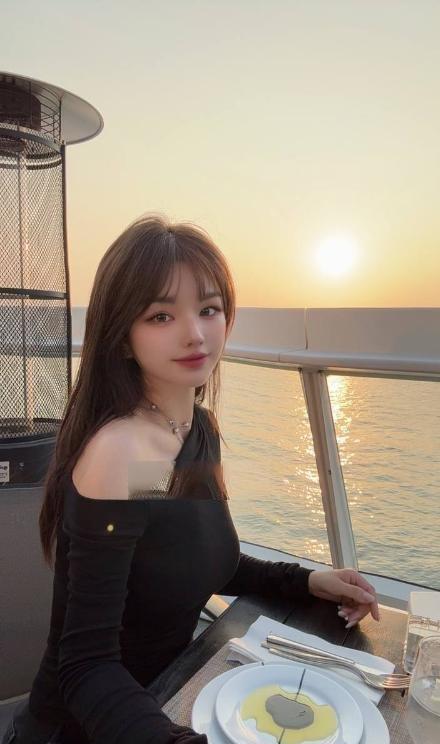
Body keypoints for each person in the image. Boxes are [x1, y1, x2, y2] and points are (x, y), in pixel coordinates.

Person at [2, 214, 380, 744]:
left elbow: (194, 557)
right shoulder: (121, 454)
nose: (195, 333)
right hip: (89, 727)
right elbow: (85, 667)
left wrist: (307, 581)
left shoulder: (194, 430)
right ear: (122, 337)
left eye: (208, 309)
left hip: (172, 693)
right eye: (161, 315)